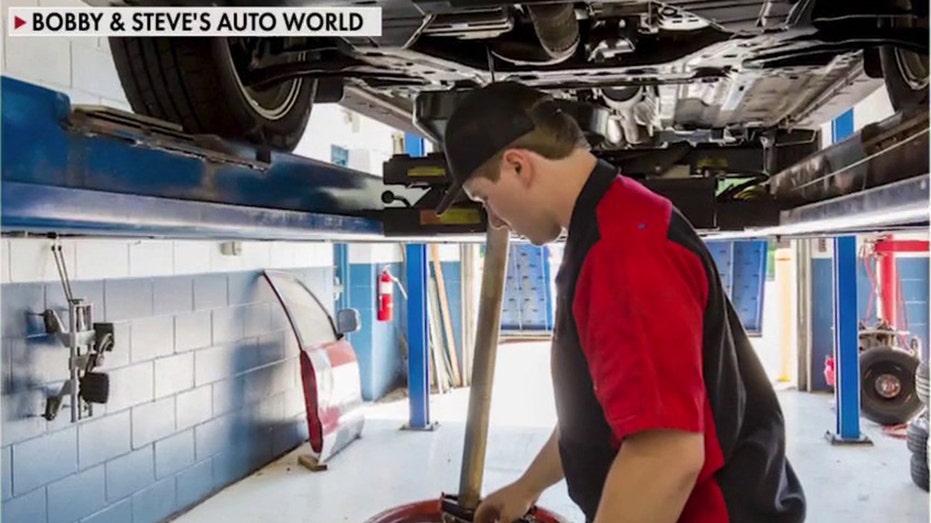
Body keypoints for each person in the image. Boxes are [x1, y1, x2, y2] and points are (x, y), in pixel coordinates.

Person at [434, 81, 806, 523]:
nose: (495, 219)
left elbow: (667, 453)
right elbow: (607, 410)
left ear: (517, 166)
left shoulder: (623, 251)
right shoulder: (613, 220)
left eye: (485, 198)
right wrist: (527, 486)